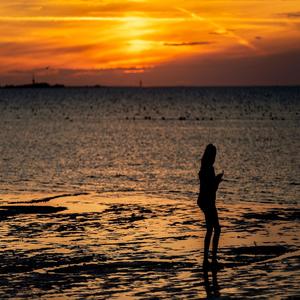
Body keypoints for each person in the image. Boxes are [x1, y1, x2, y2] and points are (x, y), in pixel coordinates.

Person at [197, 144, 224, 269]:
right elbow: (211, 189)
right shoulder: (209, 169)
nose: (215, 158)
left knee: (210, 229)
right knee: (216, 229)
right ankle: (211, 260)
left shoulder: (204, 168)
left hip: (204, 201)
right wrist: (217, 181)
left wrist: (215, 181)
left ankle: (207, 260)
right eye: (214, 155)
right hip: (208, 202)